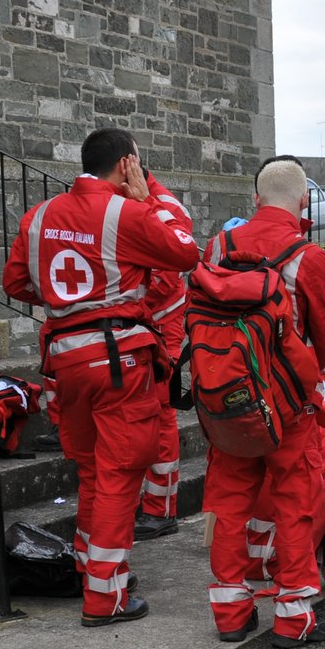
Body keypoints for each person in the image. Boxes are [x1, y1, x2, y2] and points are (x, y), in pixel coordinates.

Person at [1, 128, 199, 627]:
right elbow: (185, 254)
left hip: (63, 359)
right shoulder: (127, 213)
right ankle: (106, 596)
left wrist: (68, 306)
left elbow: (16, 282)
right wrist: (146, 202)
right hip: (118, 359)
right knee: (118, 474)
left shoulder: (39, 216)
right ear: (129, 163)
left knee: (91, 471)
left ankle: (94, 570)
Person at [200, 156, 325, 649]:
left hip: (226, 397)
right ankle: (293, 617)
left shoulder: (218, 245)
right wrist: (303, 381)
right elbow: (323, 337)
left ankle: (230, 612)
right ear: (304, 201)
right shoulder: (308, 256)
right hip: (287, 404)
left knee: (230, 503)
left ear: (255, 199)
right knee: (293, 503)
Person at [134, 173, 195, 541]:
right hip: (148, 327)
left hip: (161, 330)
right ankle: (155, 506)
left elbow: (164, 276)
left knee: (161, 417)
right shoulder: (146, 205)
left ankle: (161, 510)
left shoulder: (165, 209)